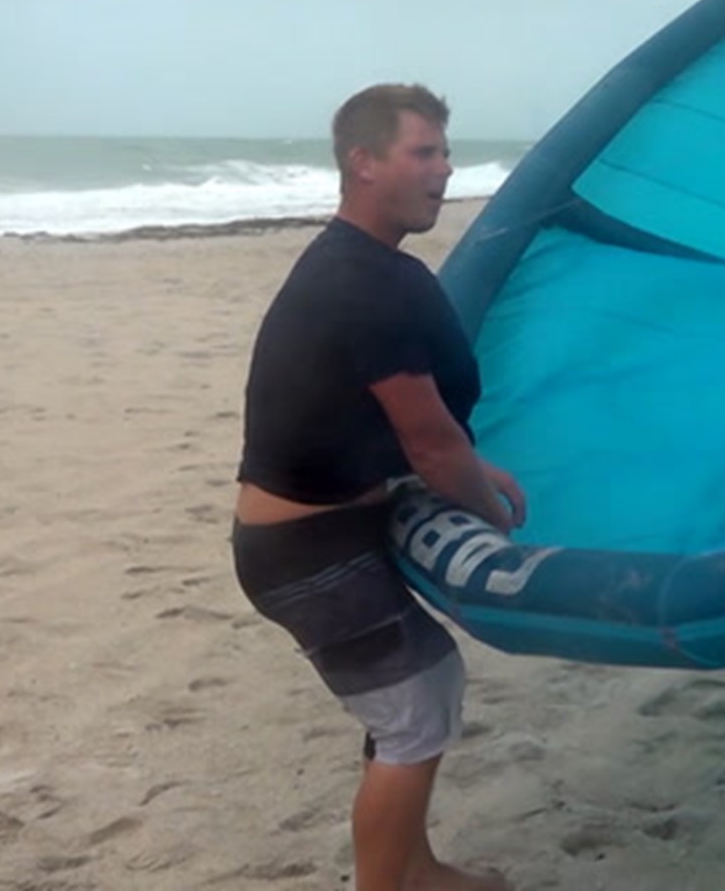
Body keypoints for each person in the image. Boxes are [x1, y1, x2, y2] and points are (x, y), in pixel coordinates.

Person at [230, 82, 526, 891]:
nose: (443, 170)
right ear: (363, 164)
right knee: (414, 710)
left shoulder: (365, 265)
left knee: (423, 685)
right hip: (302, 552)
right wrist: (489, 515)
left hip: (326, 528)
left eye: (445, 153)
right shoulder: (359, 283)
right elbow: (429, 443)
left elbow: (406, 428)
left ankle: (415, 867)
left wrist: (476, 466)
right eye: (422, 153)